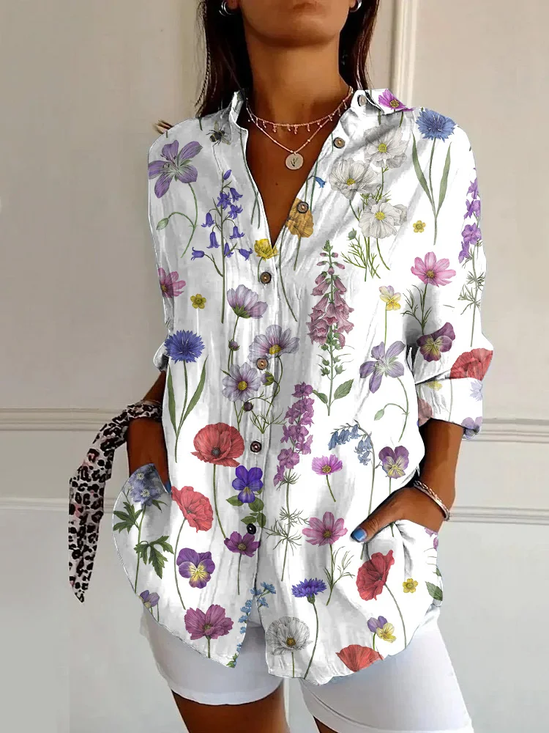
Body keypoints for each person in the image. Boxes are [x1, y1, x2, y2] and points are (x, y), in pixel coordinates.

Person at [123, 1, 494, 731]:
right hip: (197, 546)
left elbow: (452, 337)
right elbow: (188, 331)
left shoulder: (427, 149)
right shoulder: (179, 163)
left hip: (355, 550)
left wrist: (438, 486)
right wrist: (145, 433)